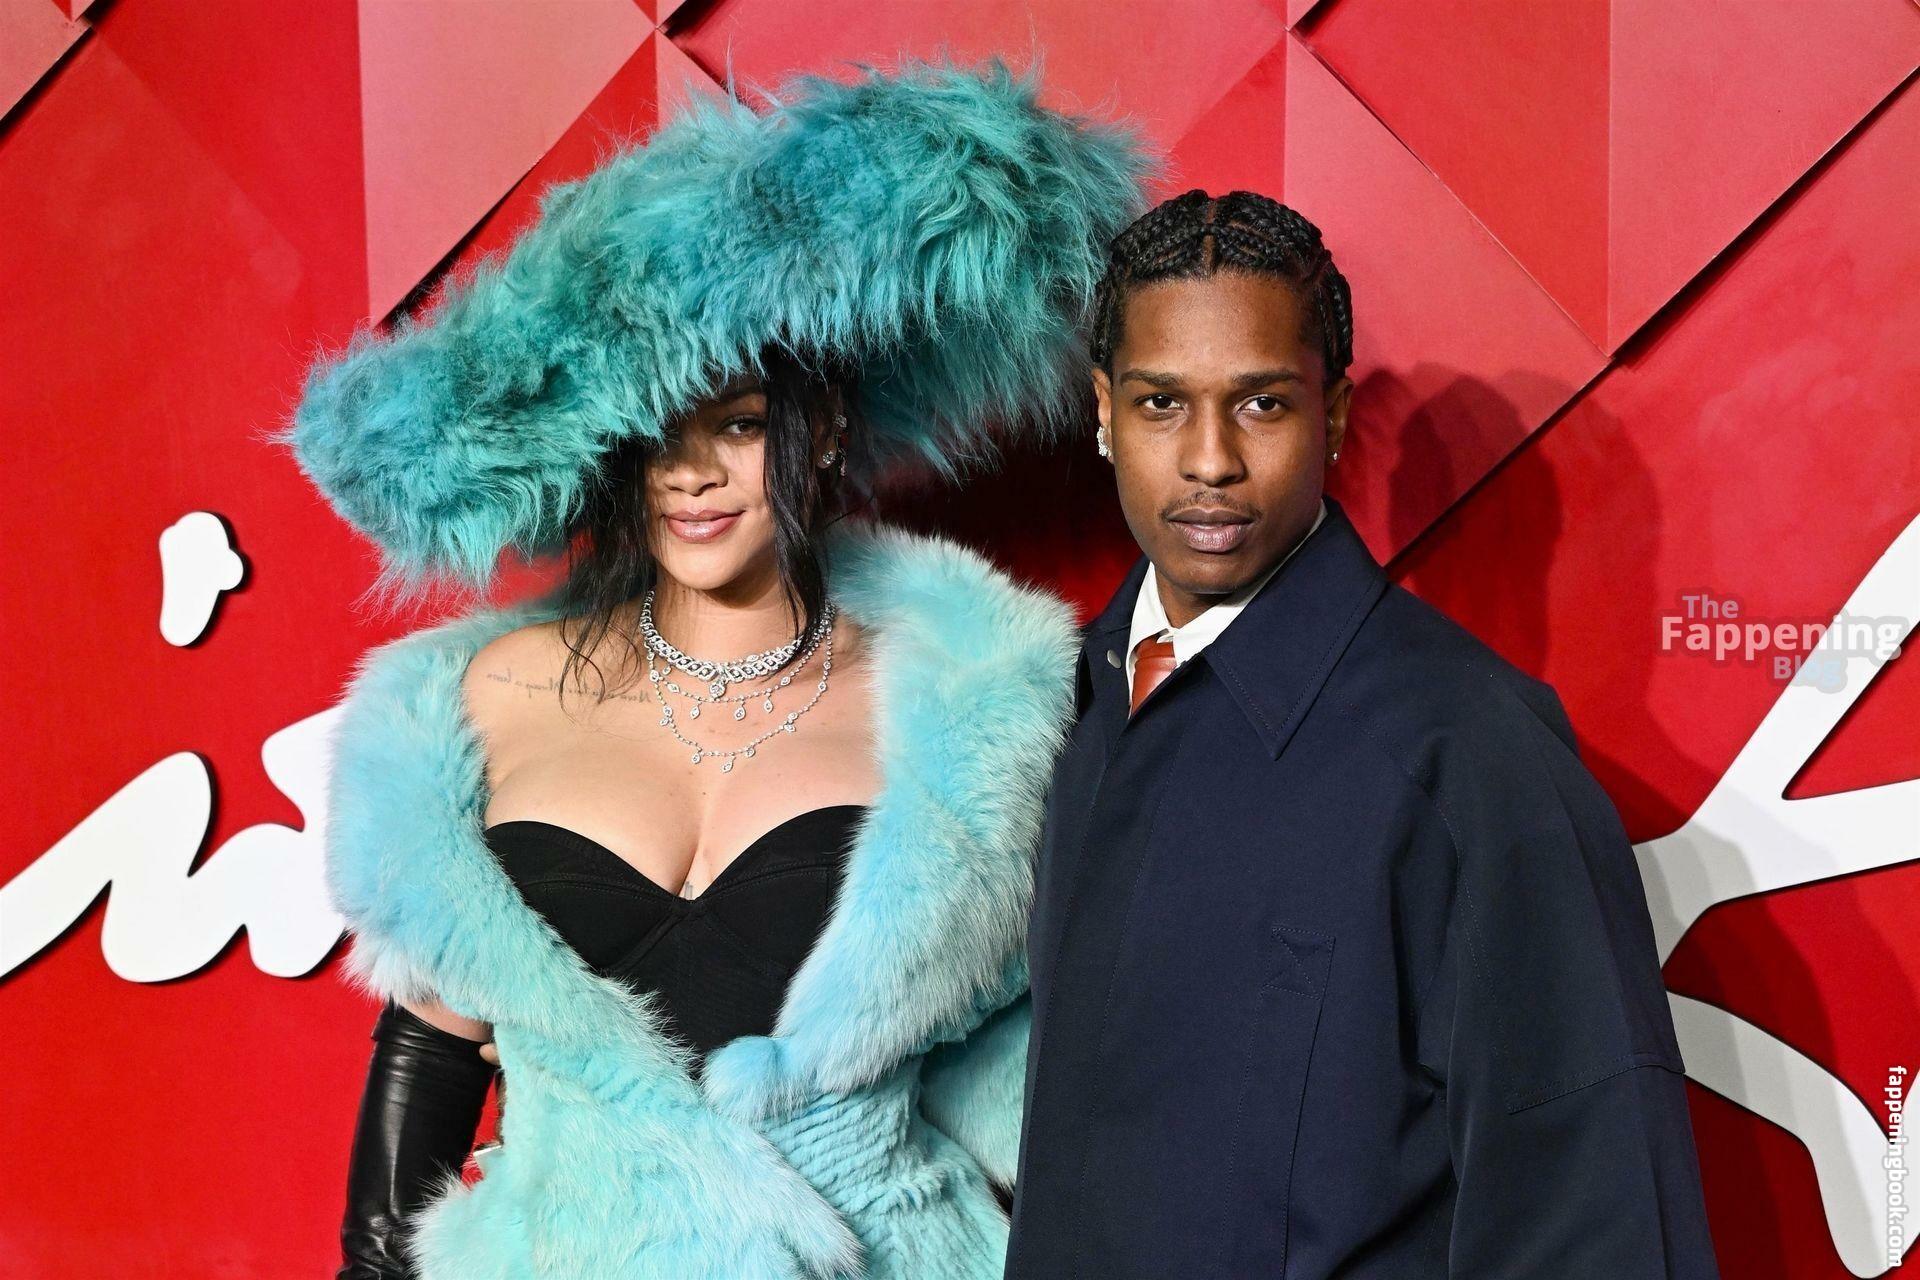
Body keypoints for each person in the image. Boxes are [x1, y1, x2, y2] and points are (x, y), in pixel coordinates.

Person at [280, 60, 1147, 1280]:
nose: (692, 473)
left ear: (822, 425)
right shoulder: (488, 699)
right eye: (659, 435)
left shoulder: (966, 712)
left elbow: (1050, 1065)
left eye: (737, 423)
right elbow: (433, 1037)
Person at [1004, 190, 1722, 1278]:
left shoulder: (1476, 755)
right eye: (1162, 404)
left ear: (1332, 416)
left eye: (1261, 404)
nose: (1209, 460)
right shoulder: (1060, 704)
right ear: (1103, 412)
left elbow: (1597, 1218)